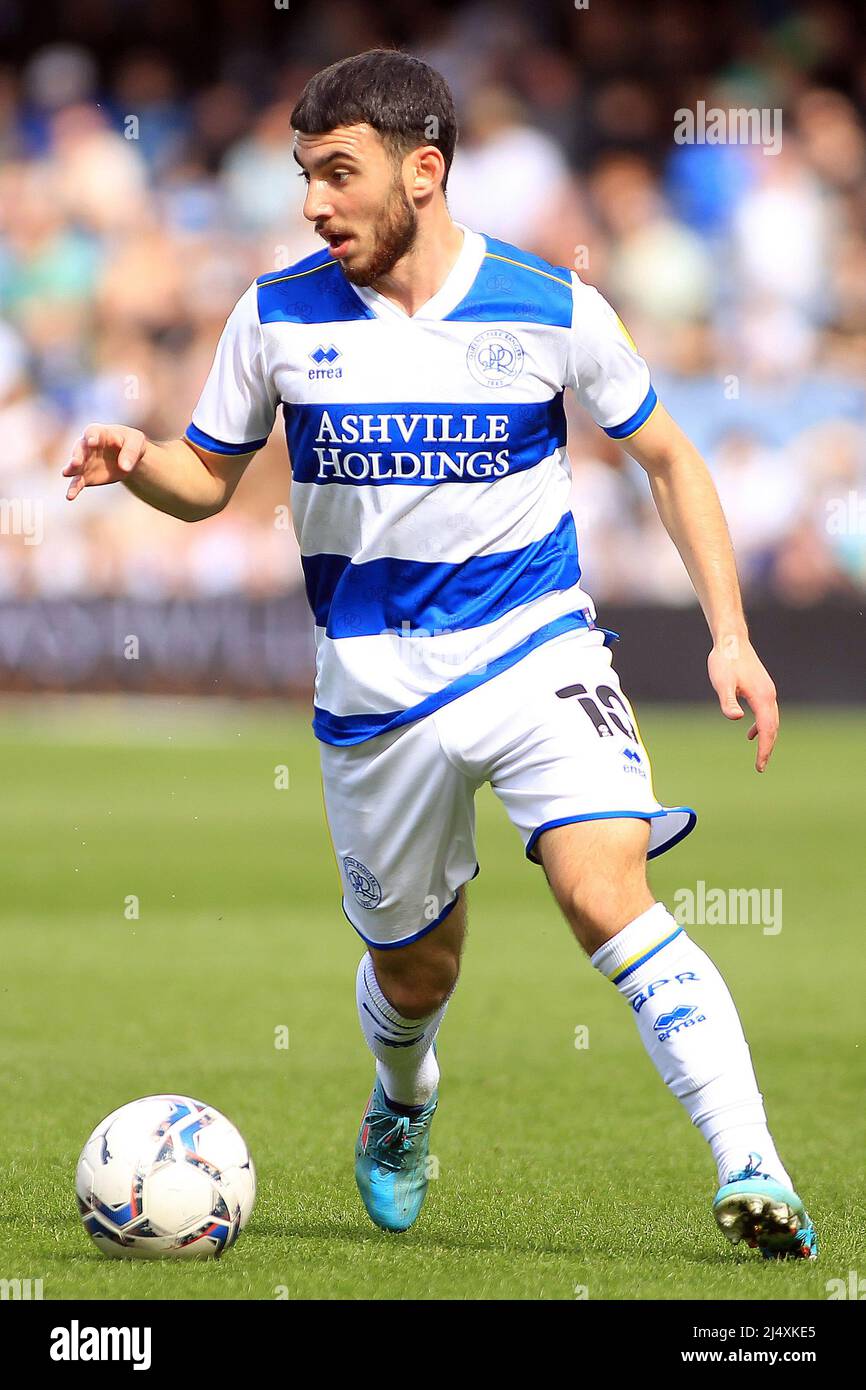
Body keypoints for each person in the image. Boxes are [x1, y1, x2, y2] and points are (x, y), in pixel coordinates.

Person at [63, 49, 816, 1259]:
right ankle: (403, 1099)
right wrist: (138, 461)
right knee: (417, 972)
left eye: (336, 173)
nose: (313, 201)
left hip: (535, 650)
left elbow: (671, 457)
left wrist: (730, 635)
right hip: (372, 685)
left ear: (424, 170)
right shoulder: (275, 314)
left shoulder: (550, 304)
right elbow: (206, 477)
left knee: (603, 892)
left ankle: (751, 1166)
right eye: (304, 174)